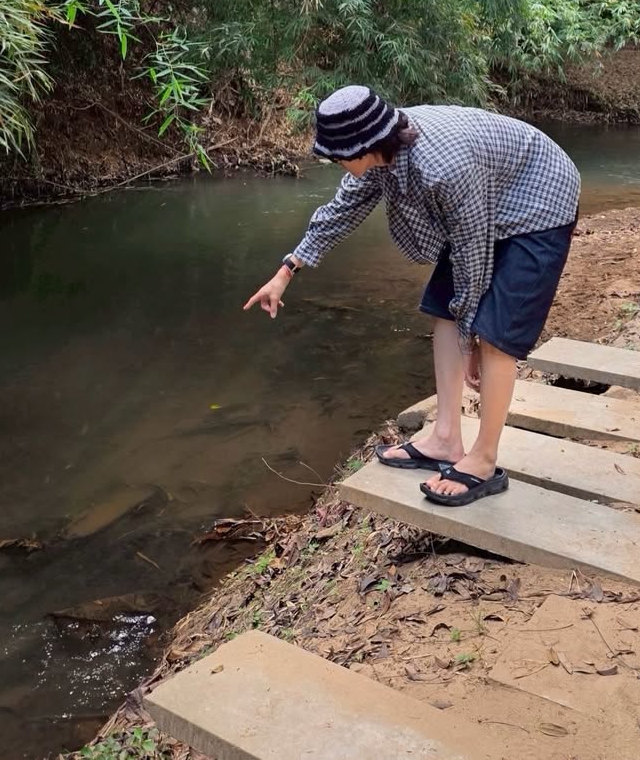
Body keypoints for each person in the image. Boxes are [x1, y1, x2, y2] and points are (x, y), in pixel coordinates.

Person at [243, 86, 580, 507]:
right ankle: (446, 438)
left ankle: (483, 460)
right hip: (490, 192)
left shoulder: (442, 167)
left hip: (540, 197)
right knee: (443, 309)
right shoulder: (381, 151)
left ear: (364, 147)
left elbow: (473, 258)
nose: (336, 164)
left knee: (497, 335)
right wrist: (286, 271)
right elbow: (341, 210)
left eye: (339, 157)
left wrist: (472, 342)